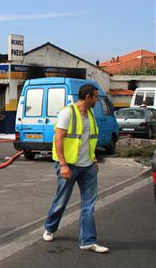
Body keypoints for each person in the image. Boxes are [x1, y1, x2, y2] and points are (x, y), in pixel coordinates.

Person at [42, 84, 109, 253]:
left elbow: (88, 140)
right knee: (61, 201)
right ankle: (50, 227)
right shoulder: (68, 113)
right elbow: (58, 139)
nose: (97, 100)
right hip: (69, 166)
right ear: (87, 98)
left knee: (89, 205)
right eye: (95, 97)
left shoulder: (91, 114)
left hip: (88, 167)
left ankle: (87, 241)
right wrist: (63, 165)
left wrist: (93, 160)